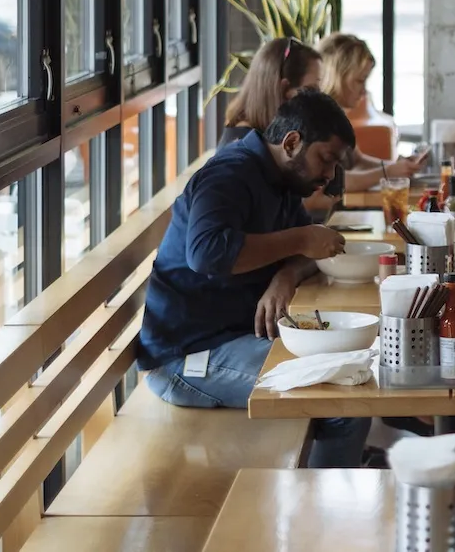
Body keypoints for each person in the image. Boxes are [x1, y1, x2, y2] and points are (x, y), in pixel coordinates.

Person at [137, 89, 370, 467]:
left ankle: (330, 471)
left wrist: (286, 274)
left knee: (354, 363)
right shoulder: (229, 174)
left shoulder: (281, 180)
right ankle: (321, 509)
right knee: (343, 397)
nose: (328, 176)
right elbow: (207, 254)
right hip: (186, 358)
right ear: (292, 142)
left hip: (238, 338)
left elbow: (305, 254)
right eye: (326, 160)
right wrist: (301, 239)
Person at [317, 33, 425, 190]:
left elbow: (358, 161)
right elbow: (332, 182)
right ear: (337, 77)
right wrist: (388, 171)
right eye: (360, 81)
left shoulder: (337, 117)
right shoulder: (317, 121)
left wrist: (399, 167)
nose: (364, 91)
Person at [219, 37, 322, 147]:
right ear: (283, 89)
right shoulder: (246, 148)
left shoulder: (259, 138)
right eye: (311, 90)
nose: (320, 100)